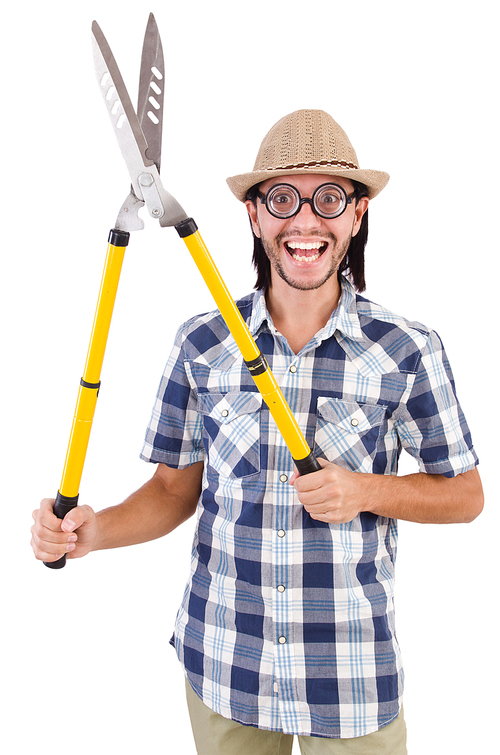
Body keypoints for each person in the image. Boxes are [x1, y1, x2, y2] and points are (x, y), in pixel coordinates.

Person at [31, 109, 483, 754]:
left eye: (329, 198)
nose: (305, 221)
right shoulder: (204, 341)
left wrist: (364, 491)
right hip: (226, 665)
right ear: (253, 214)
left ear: (356, 216)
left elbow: (465, 495)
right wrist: (92, 533)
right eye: (282, 199)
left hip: (350, 675)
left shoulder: (406, 348)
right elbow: (170, 491)